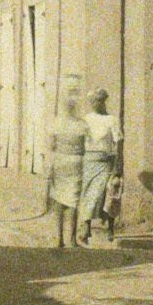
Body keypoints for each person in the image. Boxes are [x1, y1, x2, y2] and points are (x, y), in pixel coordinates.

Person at [78, 88, 122, 245]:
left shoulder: (112, 120)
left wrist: (117, 167)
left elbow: (118, 144)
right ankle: (86, 228)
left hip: (106, 161)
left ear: (103, 101)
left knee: (108, 193)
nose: (94, 104)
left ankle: (110, 227)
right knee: (89, 194)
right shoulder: (86, 120)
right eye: (92, 102)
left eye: (97, 101)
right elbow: (80, 142)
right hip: (89, 161)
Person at [48, 89, 86, 247]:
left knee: (58, 200)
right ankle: (71, 239)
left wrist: (50, 165)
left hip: (60, 161)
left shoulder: (56, 123)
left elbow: (51, 145)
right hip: (76, 162)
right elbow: (86, 145)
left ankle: (58, 238)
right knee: (73, 201)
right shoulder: (81, 125)